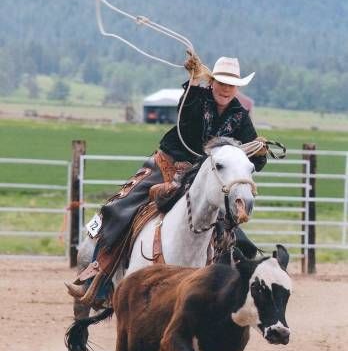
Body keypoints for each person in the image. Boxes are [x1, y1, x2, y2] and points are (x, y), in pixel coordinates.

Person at [65, 54, 268, 306]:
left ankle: (229, 297)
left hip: (204, 180)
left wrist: (257, 150)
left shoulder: (240, 115)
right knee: (120, 209)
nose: (226, 89)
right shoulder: (197, 99)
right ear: (212, 82)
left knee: (235, 237)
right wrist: (193, 82)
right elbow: (185, 121)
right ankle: (100, 278)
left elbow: (255, 162)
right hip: (168, 165)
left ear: (237, 87)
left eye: (231, 85)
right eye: (221, 83)